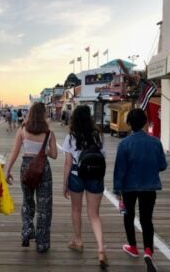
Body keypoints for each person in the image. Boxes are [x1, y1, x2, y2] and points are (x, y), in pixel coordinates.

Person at [113, 108, 167, 272]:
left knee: (129, 217)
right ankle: (148, 251)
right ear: (144, 123)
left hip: (129, 187)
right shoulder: (156, 142)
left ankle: (133, 247)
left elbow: (119, 169)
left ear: (129, 123)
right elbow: (162, 165)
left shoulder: (124, 144)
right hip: (149, 186)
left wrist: (117, 189)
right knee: (146, 220)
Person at [5, 102, 57, 253]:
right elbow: (54, 155)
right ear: (43, 115)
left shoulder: (22, 130)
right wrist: (44, 149)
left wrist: (7, 170)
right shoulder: (49, 132)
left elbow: (14, 152)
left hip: (26, 167)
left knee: (27, 201)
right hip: (43, 169)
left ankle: (27, 230)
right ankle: (42, 243)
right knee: (44, 207)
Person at [61, 105, 108, 268]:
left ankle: (78, 240)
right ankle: (101, 249)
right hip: (95, 175)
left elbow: (67, 163)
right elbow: (103, 156)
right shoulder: (99, 135)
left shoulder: (71, 137)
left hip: (76, 175)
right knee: (94, 214)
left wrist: (64, 183)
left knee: (76, 210)